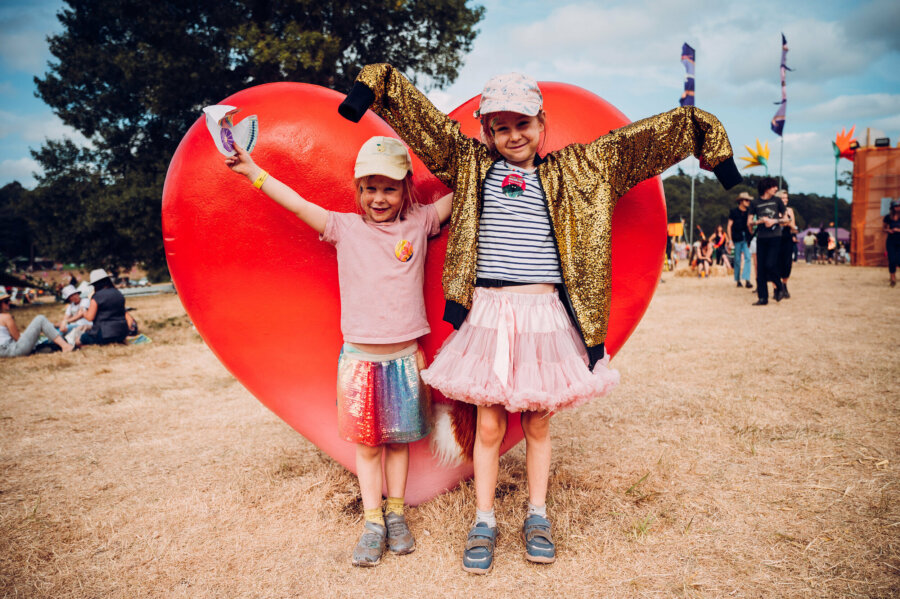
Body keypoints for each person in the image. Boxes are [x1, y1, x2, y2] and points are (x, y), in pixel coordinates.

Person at [338, 64, 741, 572]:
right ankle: (484, 519)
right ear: (486, 132)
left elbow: (646, 141)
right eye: (500, 127)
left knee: (538, 424)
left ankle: (537, 514)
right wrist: (371, 88)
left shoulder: (578, 170)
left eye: (522, 124)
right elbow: (427, 124)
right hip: (489, 313)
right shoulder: (471, 166)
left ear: (541, 123)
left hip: (543, 314)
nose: (513, 135)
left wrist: (716, 151)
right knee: (488, 426)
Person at [225, 135, 453, 567]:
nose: (378, 197)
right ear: (358, 191)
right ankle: (372, 522)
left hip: (404, 360)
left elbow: (465, 193)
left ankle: (397, 513)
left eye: (389, 188)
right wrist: (253, 172)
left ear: (405, 188)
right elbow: (295, 204)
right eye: (369, 187)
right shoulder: (343, 228)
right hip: (359, 362)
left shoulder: (420, 223)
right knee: (368, 447)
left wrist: (498, 160)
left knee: (399, 444)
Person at [0, 291, 75, 357]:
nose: (9, 302)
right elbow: (17, 338)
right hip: (12, 350)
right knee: (40, 319)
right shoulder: (6, 317)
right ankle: (65, 346)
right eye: (6, 301)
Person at [749, 177, 786, 305]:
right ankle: (762, 298)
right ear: (766, 188)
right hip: (761, 237)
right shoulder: (755, 203)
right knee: (760, 269)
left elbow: (787, 220)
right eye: (773, 186)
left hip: (775, 237)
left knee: (770, 264)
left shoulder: (777, 201)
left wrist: (774, 221)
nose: (776, 189)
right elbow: (749, 222)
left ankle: (779, 286)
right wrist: (759, 221)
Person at [79, 269, 131, 345]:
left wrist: (83, 312)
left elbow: (90, 317)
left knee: (81, 338)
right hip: (122, 333)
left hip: (104, 334)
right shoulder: (118, 293)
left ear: (95, 284)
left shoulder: (97, 296)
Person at [727, 191, 753, 289]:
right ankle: (737, 280)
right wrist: (730, 240)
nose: (748, 202)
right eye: (746, 200)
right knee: (737, 260)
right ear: (741, 201)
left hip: (746, 239)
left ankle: (747, 279)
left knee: (748, 258)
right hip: (736, 238)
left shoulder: (749, 212)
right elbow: (729, 226)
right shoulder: (733, 212)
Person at [776, 189, 798, 299]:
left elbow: (793, 226)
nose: (785, 200)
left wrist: (788, 222)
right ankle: (777, 286)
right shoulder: (775, 210)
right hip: (776, 238)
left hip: (787, 239)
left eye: (786, 198)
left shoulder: (790, 210)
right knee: (776, 263)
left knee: (787, 263)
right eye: (783, 198)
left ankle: (785, 285)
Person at [884, 198, 900, 287]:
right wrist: (888, 230)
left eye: (898, 206)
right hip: (891, 241)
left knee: (899, 260)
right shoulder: (888, 217)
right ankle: (893, 278)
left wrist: (898, 230)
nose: (897, 208)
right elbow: (883, 228)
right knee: (892, 260)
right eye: (896, 206)